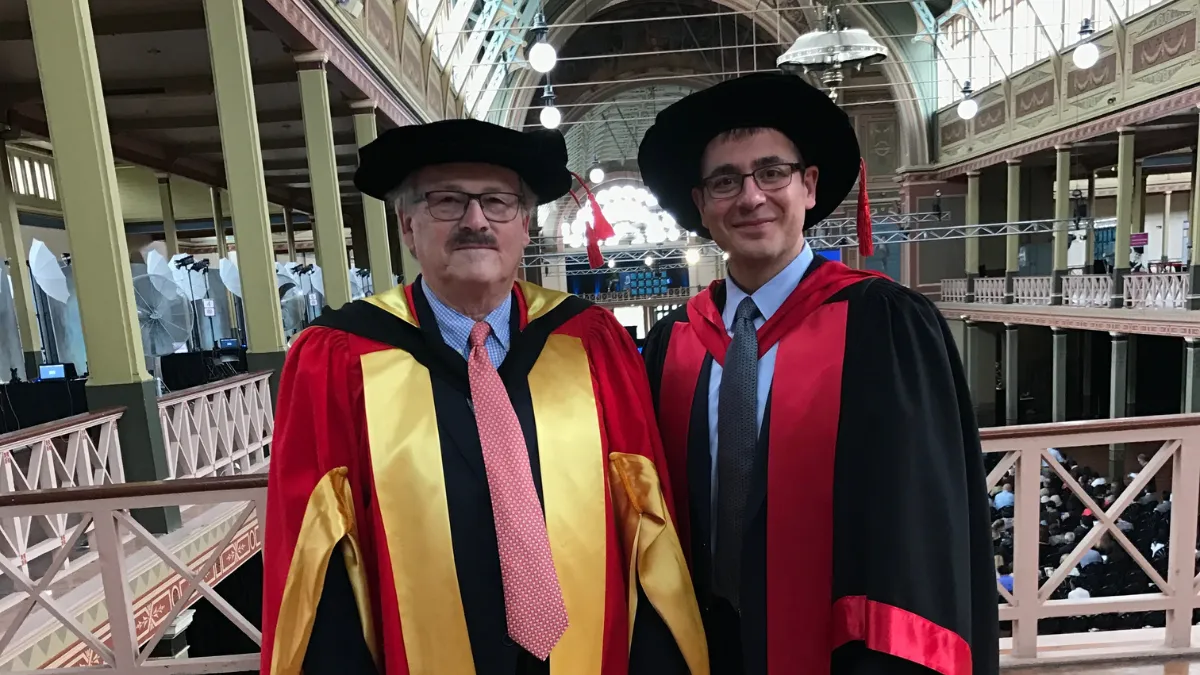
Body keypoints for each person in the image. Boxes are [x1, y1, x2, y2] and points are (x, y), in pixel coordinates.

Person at [261, 119, 708, 675]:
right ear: (407, 223)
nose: (476, 221)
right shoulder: (339, 358)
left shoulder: (591, 344)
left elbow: (646, 525)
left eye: (497, 202)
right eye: (446, 201)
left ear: (524, 223)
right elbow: (316, 565)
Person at [637, 73, 998, 675]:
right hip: (703, 643)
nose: (750, 197)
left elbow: (919, 524)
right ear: (701, 206)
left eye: (771, 172)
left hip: (845, 648)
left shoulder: (883, 325)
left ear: (808, 186)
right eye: (725, 181)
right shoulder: (674, 342)